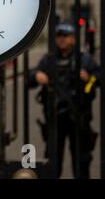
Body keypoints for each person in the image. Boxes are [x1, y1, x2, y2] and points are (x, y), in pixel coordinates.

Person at [29, 22, 99, 179]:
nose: (61, 39)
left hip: (79, 119)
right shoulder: (48, 60)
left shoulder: (85, 59)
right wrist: (36, 76)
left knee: (81, 164)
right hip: (55, 120)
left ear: (73, 38)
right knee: (53, 164)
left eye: (65, 36)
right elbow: (30, 78)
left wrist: (89, 78)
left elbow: (99, 77)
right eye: (59, 36)